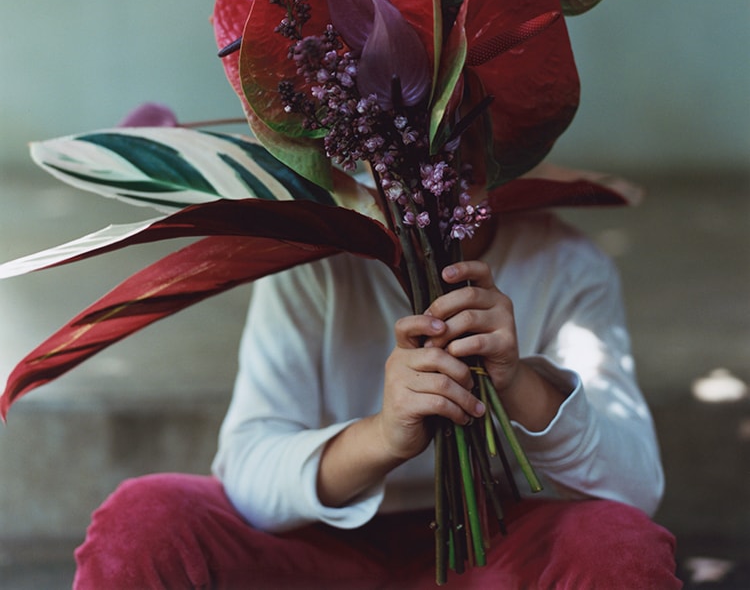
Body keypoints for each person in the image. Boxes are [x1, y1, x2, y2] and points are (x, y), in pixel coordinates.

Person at [73, 208, 682, 588]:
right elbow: (248, 474)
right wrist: (384, 436)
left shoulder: (565, 262)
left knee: (617, 547)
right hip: (318, 553)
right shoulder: (314, 263)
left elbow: (636, 491)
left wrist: (516, 380)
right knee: (145, 519)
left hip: (494, 548)